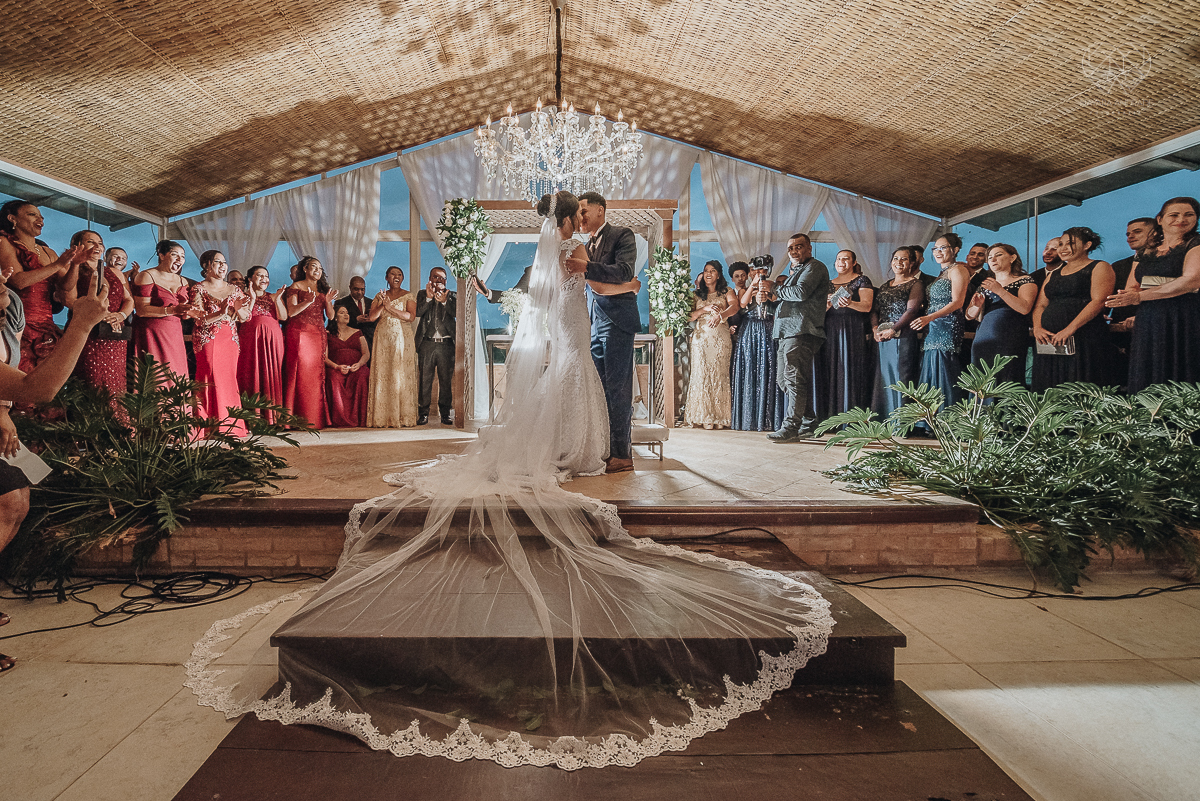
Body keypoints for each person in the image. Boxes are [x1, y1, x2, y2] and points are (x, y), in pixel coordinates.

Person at [223, 192, 832, 764]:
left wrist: (576, 279)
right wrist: (592, 277)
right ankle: (577, 449)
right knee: (579, 384)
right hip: (573, 331)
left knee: (576, 383)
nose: (584, 220)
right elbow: (579, 282)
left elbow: (562, 285)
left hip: (574, 328)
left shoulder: (563, 249)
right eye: (580, 213)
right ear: (571, 218)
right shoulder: (571, 251)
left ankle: (575, 447)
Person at [0, 270, 110, 673]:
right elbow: (36, 390)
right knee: (8, 502)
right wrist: (80, 323)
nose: (3, 284)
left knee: (16, 499)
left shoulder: (6, 323)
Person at [1106, 197, 1200, 391]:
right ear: (1160, 219)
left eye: (1188, 214)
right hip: (1149, 316)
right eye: (1174, 215)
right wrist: (1127, 298)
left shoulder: (1195, 243)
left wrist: (1139, 297)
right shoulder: (1146, 251)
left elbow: (1191, 280)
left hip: (1183, 316)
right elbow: (1133, 286)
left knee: (1181, 368)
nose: (1181, 219)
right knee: (1147, 367)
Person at [574, 191, 639, 473]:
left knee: (618, 390)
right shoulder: (586, 243)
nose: (581, 217)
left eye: (584, 211)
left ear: (600, 210)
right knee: (600, 391)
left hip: (618, 323)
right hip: (594, 325)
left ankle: (623, 454)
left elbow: (625, 272)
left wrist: (587, 267)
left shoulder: (623, 235)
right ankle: (607, 449)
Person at [0, 201, 85, 373]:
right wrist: (57, 265)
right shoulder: (4, 242)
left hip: (46, 326)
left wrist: (75, 265)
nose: (40, 219)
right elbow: (18, 281)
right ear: (12, 218)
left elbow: (65, 288)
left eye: (41, 216)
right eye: (32, 214)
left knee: (45, 380)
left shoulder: (48, 252)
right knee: (20, 378)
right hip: (19, 323)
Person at [1031, 227, 1116, 390]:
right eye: (1060, 244)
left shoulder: (1099, 266)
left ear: (1087, 245)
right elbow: (1041, 304)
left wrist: (1070, 329)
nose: (1063, 248)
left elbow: (1098, 301)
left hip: (1083, 336)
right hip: (1049, 339)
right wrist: (1037, 328)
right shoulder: (1053, 273)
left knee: (1079, 381)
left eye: (1069, 243)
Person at [768, 233, 831, 442]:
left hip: (802, 330)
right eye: (791, 248)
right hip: (786, 332)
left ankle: (791, 428)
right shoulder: (795, 271)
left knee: (794, 379)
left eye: (799, 247)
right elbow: (786, 302)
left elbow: (801, 293)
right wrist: (768, 299)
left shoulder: (815, 267)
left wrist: (775, 288)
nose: (794, 251)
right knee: (783, 380)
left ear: (810, 248)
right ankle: (810, 420)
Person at [59, 233, 134, 401]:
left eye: (99, 243)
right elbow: (69, 300)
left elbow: (129, 300)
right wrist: (102, 313)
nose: (97, 246)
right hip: (87, 332)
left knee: (115, 382)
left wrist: (120, 315)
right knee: (91, 380)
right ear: (78, 245)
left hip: (114, 334)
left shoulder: (115, 272)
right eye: (90, 242)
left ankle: (116, 425)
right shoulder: (71, 267)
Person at [812, 249, 875, 422]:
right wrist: (827, 304)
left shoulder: (862, 280)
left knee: (851, 369)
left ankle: (852, 417)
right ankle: (831, 417)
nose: (841, 262)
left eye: (846, 259)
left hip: (852, 328)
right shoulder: (828, 283)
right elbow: (818, 312)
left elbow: (867, 306)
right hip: (830, 329)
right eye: (839, 259)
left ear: (854, 262)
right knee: (831, 370)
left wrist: (850, 303)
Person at [192, 251, 250, 437]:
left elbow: (246, 317)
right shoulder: (198, 289)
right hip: (208, 338)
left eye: (224, 262)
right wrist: (221, 312)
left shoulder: (234, 289)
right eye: (218, 262)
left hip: (229, 339)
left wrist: (238, 310)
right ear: (206, 265)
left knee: (228, 378)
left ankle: (230, 425)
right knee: (209, 375)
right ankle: (207, 424)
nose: (223, 266)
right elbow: (199, 319)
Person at [911, 234, 970, 409]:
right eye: (935, 248)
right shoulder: (943, 272)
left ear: (955, 250)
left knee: (944, 367)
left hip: (947, 324)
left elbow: (957, 302)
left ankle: (948, 417)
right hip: (933, 326)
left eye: (943, 247)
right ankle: (931, 419)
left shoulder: (958, 270)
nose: (938, 251)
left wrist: (930, 317)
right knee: (931, 365)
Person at [966, 244, 1037, 386]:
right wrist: (977, 306)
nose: (993, 259)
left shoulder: (1025, 280)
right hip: (984, 336)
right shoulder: (985, 284)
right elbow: (969, 315)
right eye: (990, 257)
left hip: (1010, 336)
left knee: (1007, 375)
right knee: (982, 379)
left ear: (1012, 257)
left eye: (998, 255)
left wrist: (1000, 291)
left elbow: (1024, 308)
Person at [132, 240, 198, 385]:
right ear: (162, 255)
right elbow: (141, 310)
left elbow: (183, 313)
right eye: (175, 254)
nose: (180, 259)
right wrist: (172, 310)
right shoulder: (147, 276)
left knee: (175, 373)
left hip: (174, 332)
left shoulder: (183, 282)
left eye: (183, 256)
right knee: (157, 374)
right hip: (152, 332)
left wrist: (191, 311)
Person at [684, 260, 739, 429]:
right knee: (701, 374)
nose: (708, 273)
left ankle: (720, 417)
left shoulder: (727, 291)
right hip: (701, 339)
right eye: (706, 270)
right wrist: (705, 310)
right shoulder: (696, 294)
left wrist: (721, 315)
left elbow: (735, 307)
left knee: (719, 375)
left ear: (718, 275)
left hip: (721, 338)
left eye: (712, 270)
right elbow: (689, 317)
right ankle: (702, 416)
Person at [284, 256, 337, 429]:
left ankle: (315, 417)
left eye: (320, 268)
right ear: (305, 269)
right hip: (299, 333)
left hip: (317, 334)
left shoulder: (323, 289)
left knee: (315, 376)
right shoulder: (295, 287)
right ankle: (295, 418)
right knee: (299, 374)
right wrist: (307, 302)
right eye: (314, 267)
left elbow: (330, 316)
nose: (317, 271)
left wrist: (328, 302)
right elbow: (291, 312)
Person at [872, 247, 926, 417]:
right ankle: (883, 419)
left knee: (903, 376)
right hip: (882, 338)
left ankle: (902, 422)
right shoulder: (884, 285)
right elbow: (874, 310)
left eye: (903, 259)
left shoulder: (916, 284)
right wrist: (874, 329)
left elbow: (912, 310)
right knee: (883, 378)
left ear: (911, 263)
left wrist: (893, 329)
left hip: (903, 335)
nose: (899, 262)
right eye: (896, 258)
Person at [731, 259, 784, 431]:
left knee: (768, 369)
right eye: (754, 270)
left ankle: (768, 419)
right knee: (750, 369)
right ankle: (748, 418)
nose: (758, 273)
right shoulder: (744, 289)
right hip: (749, 331)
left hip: (768, 329)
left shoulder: (773, 285)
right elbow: (743, 304)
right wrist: (753, 286)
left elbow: (778, 301)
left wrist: (767, 294)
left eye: (762, 270)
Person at [365, 266, 417, 428]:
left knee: (400, 374)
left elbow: (410, 317)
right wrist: (383, 304)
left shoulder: (408, 295)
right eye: (393, 274)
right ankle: (382, 417)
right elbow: (372, 317)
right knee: (384, 374)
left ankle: (402, 417)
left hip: (402, 338)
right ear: (386, 278)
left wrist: (390, 308)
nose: (396, 276)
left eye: (399, 274)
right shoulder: (380, 296)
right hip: (383, 339)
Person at [1105, 217, 1156, 382]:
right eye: (1128, 234)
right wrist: (1101, 317)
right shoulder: (1118, 266)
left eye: (1137, 232)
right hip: (1120, 336)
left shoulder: (1166, 262)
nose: (1130, 237)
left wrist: (1142, 317)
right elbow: (1108, 297)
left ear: (1155, 233)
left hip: (1155, 329)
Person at [237, 266, 287, 422]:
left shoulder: (273, 297)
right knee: (251, 373)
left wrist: (278, 299)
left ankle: (273, 417)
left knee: (272, 374)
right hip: (250, 340)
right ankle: (252, 416)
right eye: (260, 276)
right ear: (250, 279)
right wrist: (251, 298)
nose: (264, 279)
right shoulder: (242, 297)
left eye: (267, 276)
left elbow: (284, 317)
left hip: (273, 341)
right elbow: (243, 318)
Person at [413, 267, 456, 426]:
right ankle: (423, 413)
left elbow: (455, 312)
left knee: (446, 381)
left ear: (446, 281)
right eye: (435, 277)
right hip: (427, 343)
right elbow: (417, 312)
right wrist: (429, 298)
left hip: (446, 345)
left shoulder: (453, 295)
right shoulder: (422, 294)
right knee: (425, 380)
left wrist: (444, 301)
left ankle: (445, 414)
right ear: (430, 278)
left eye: (442, 278)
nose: (438, 280)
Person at [324, 305, 371, 427]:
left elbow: (366, 353)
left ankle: (361, 419)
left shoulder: (357, 332)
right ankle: (338, 420)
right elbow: (324, 357)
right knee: (333, 379)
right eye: (342, 313)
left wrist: (359, 364)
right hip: (336, 368)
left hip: (356, 367)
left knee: (363, 375)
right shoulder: (327, 334)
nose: (346, 315)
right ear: (334, 317)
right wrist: (336, 367)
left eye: (347, 313)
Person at [333, 275, 376, 349]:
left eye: (362, 289)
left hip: (370, 343)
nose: (359, 292)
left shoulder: (372, 303)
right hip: (349, 342)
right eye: (356, 289)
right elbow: (336, 324)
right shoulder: (341, 303)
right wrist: (356, 320)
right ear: (350, 288)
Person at [727, 261, 750, 337]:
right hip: (734, 333)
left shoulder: (751, 293)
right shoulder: (728, 296)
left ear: (747, 276)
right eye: (737, 276)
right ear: (732, 279)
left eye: (743, 275)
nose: (740, 278)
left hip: (749, 330)